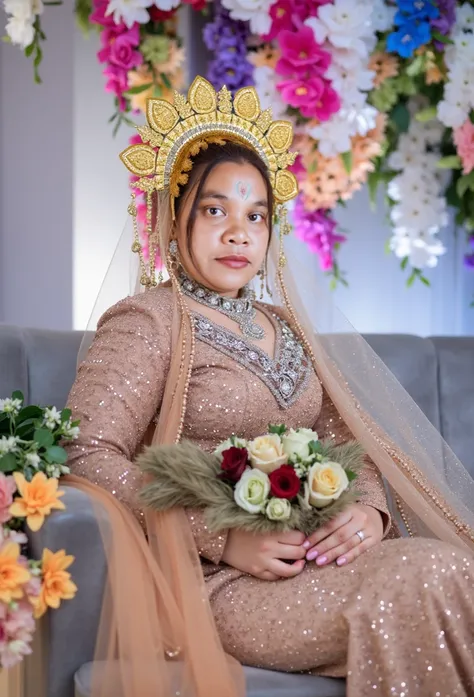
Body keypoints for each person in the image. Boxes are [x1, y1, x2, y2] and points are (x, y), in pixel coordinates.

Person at [63, 77, 474, 697]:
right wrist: (221, 537)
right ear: (174, 217)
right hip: (215, 583)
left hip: (321, 556)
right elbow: (86, 454)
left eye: (256, 215)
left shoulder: (285, 327)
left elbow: (346, 440)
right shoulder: (149, 319)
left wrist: (368, 510)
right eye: (214, 210)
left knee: (458, 570)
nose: (238, 233)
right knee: (422, 580)